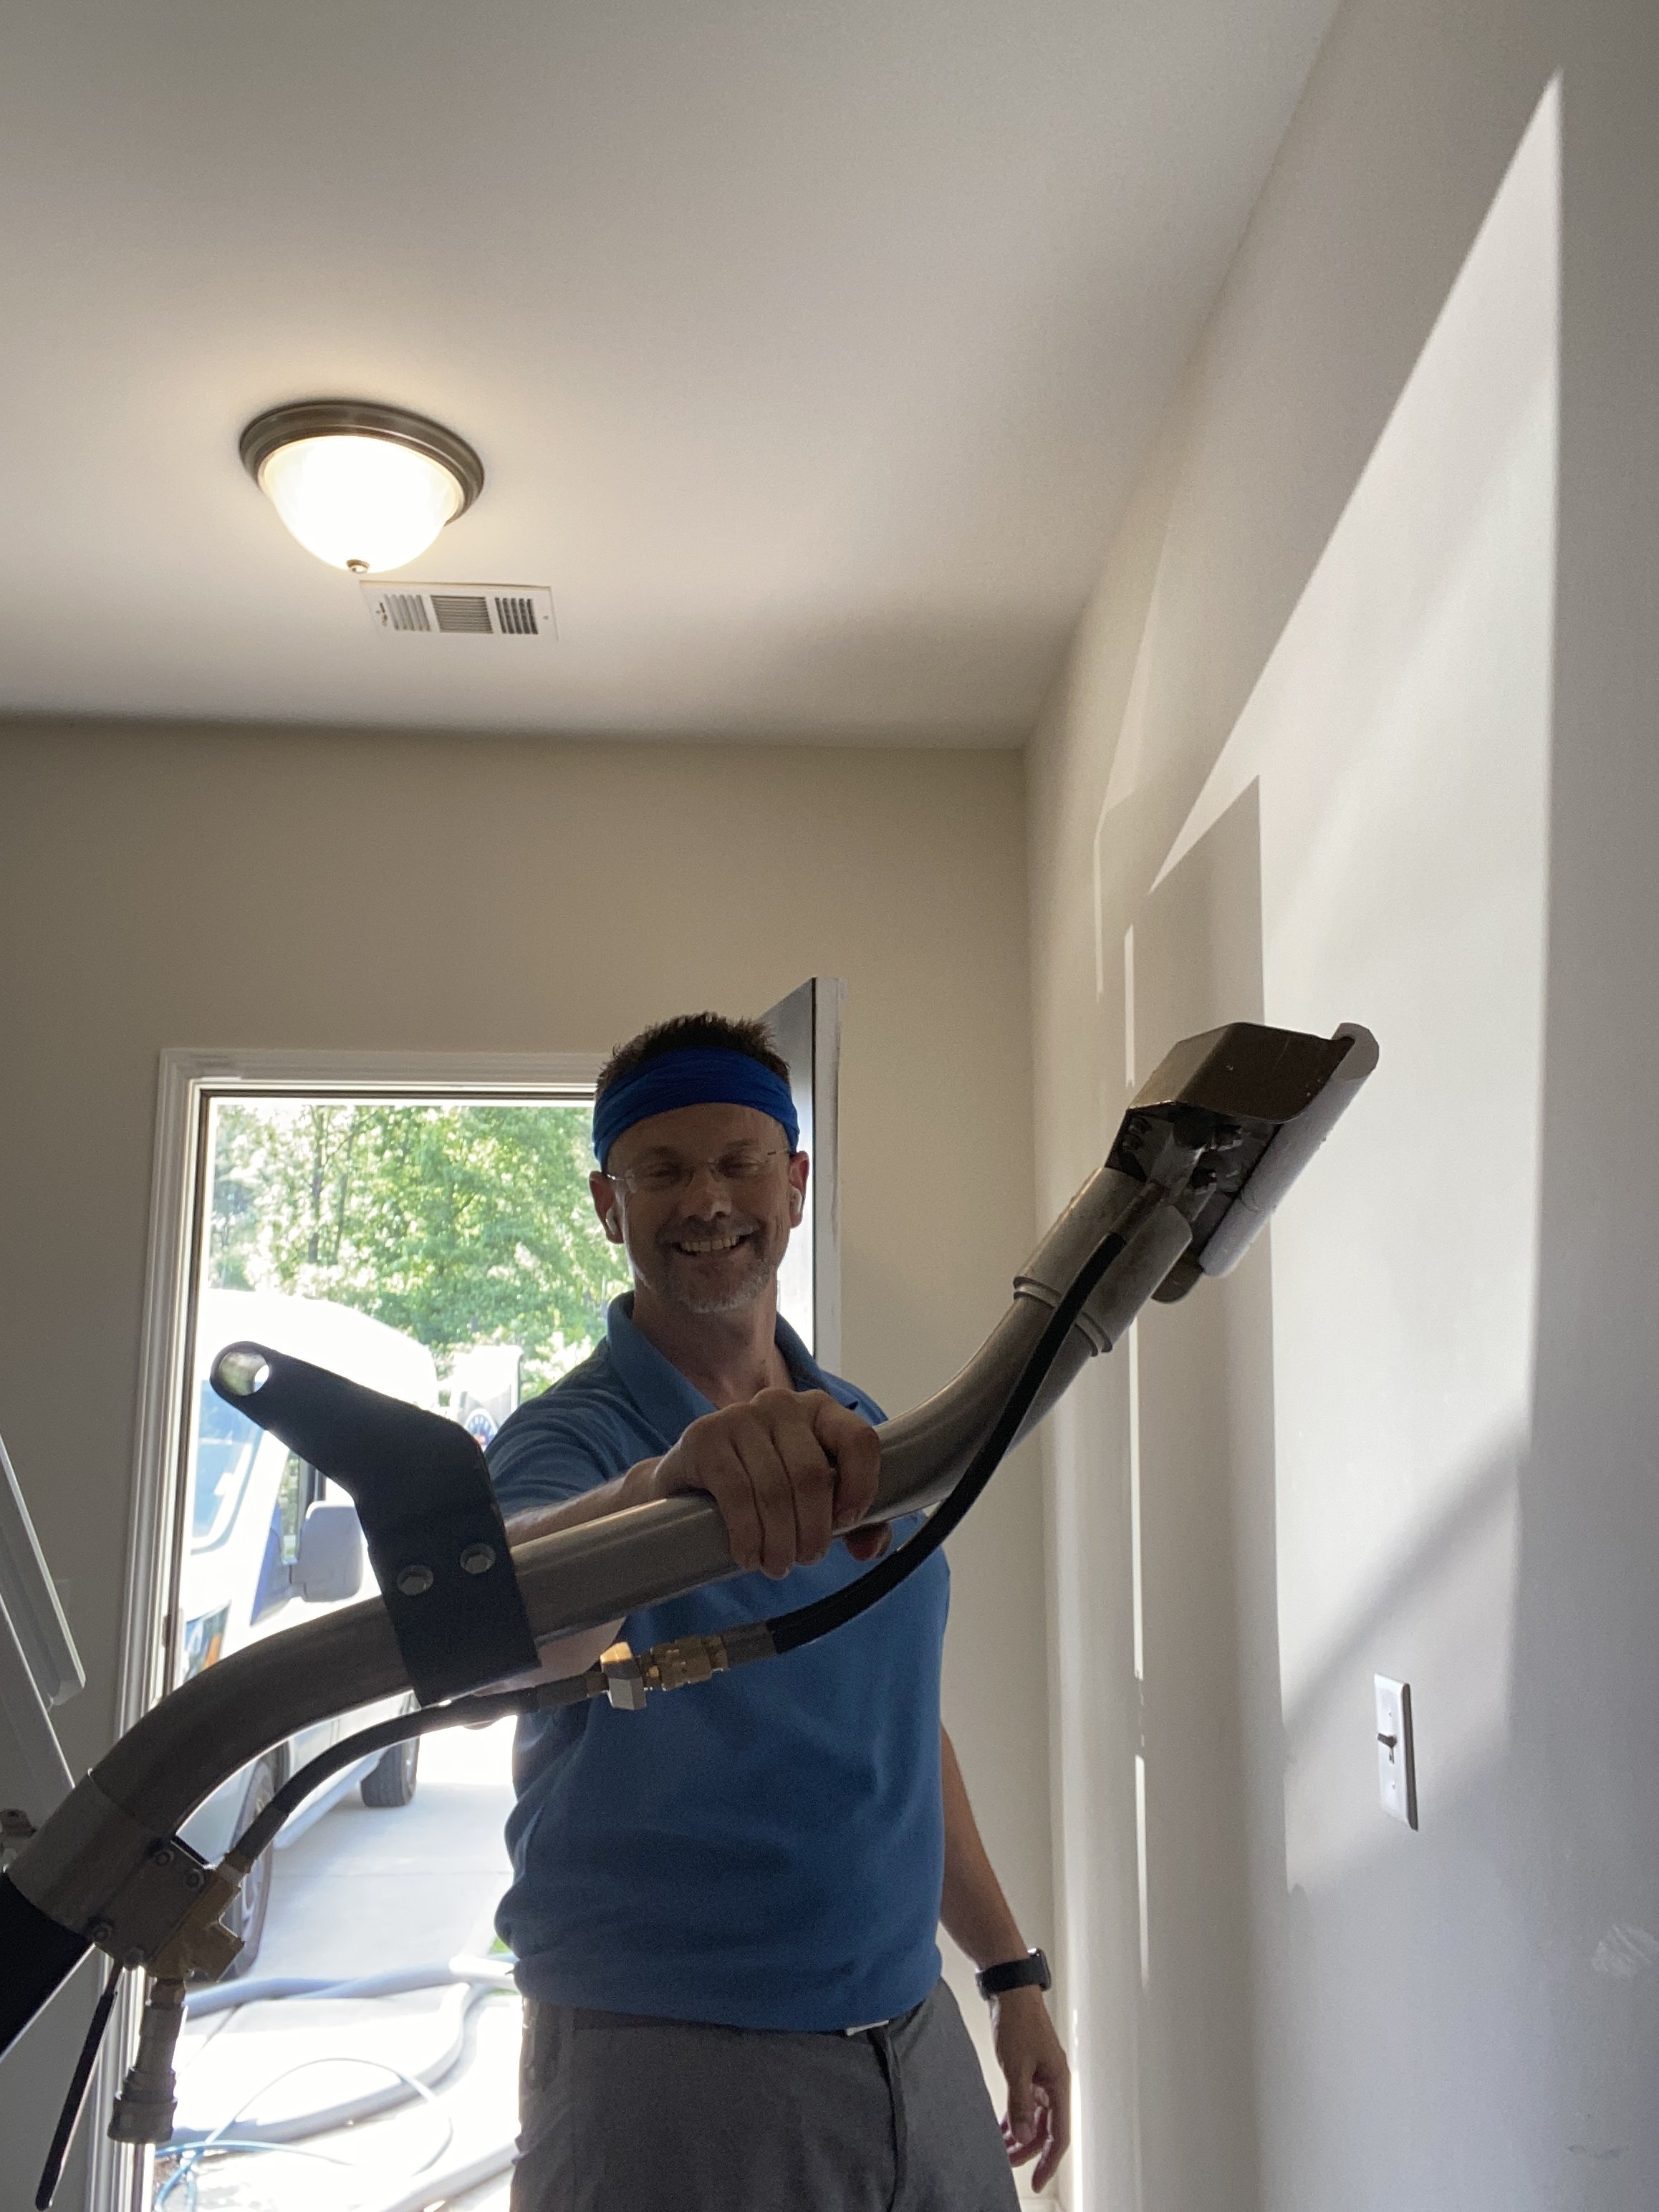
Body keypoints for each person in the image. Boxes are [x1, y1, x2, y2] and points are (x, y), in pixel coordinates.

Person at [486, 1012, 1069, 2211]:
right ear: (608, 1206)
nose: (707, 1200)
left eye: (739, 1161)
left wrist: (1010, 1973)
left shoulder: (861, 1431)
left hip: (914, 2037)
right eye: (662, 1170)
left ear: (794, 1185)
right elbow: (501, 1640)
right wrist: (660, 1493)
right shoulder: (572, 1441)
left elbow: (901, 1730)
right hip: (672, 2064)